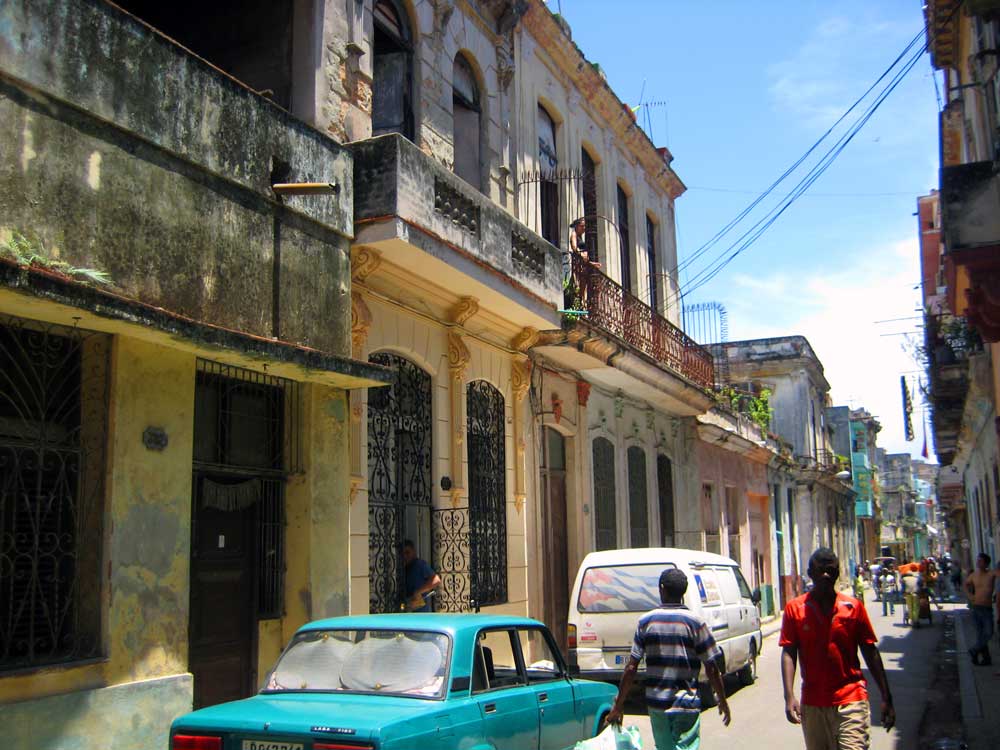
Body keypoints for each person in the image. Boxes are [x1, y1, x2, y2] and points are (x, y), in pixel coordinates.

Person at [780, 548, 895, 750]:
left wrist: (886, 696)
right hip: (813, 703)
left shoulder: (853, 607)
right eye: (820, 570)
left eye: (831, 570)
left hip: (852, 699)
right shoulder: (794, 609)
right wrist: (789, 696)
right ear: (810, 573)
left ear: (837, 573)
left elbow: (870, 651)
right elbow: (789, 652)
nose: (826, 575)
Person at [606, 568, 731, 749]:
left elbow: (631, 668)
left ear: (662, 589)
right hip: (686, 704)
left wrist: (618, 705)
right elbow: (711, 667)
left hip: (657, 705)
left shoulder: (646, 622)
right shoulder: (695, 623)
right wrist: (722, 699)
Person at [965, 553, 998, 666]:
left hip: (987, 608)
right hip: (976, 607)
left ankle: (974, 650)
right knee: (981, 634)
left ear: (986, 563)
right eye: (977, 561)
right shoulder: (974, 575)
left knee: (988, 632)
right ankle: (985, 659)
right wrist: (970, 596)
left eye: (980, 561)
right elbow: (966, 584)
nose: (978, 563)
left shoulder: (991, 574)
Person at [401, 539, 440, 612]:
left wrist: (418, 592)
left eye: (407, 552)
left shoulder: (419, 565)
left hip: (422, 614)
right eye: (403, 554)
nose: (405, 556)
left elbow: (436, 580)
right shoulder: (403, 569)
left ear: (414, 551)